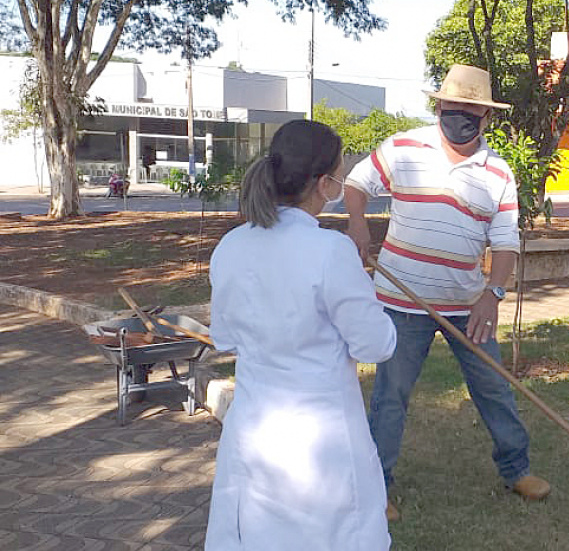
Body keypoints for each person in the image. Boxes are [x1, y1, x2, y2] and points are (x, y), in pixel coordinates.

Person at [344, 64, 551, 522]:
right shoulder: (402, 147)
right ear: (438, 106)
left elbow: (504, 241)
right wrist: (358, 223)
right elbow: (356, 183)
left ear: (486, 116)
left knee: (495, 388)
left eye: (470, 109)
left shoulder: (498, 171)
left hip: (466, 306)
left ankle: (517, 470)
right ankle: (379, 488)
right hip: (401, 303)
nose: (459, 114)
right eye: (451, 106)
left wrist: (492, 294)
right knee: (390, 397)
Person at [205, 119, 396, 550]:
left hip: (254, 428)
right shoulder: (330, 251)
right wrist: (369, 299)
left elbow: (225, 336)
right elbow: (376, 344)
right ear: (324, 183)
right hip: (319, 440)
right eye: (340, 176)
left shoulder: (231, 246)